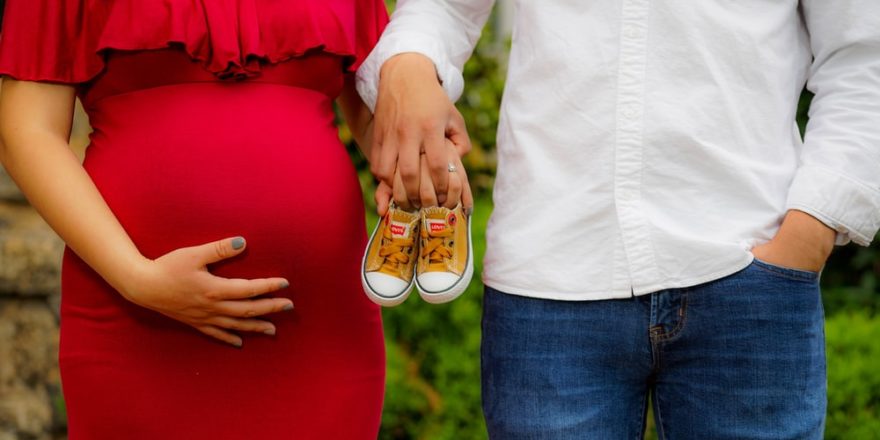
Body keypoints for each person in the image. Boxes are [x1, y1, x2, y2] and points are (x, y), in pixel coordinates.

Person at [357, 1, 880, 438]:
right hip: (548, 277)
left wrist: (811, 230)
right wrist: (409, 61)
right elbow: (442, 8)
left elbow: (862, 57)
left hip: (750, 272)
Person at [0, 0, 388, 438]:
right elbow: (27, 132)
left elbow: (377, 118)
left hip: (317, 330)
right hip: (138, 321)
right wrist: (136, 278)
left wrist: (422, 155)